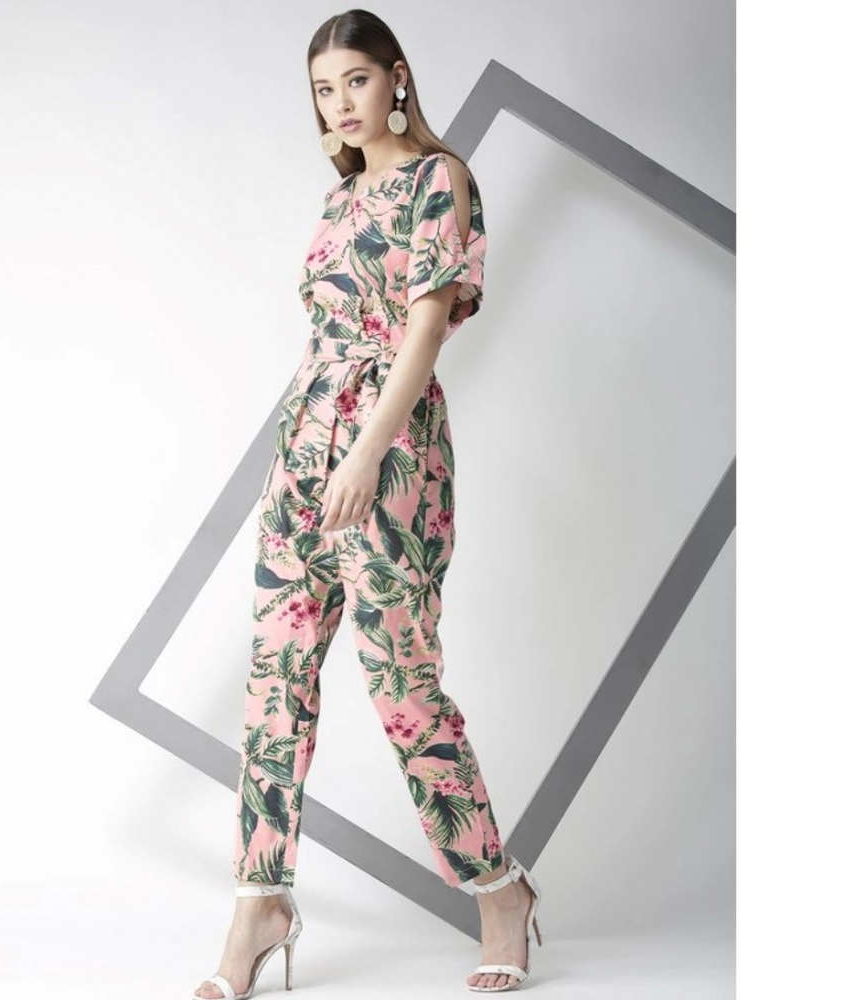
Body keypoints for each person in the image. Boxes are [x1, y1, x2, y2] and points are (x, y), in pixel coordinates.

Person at [193, 10, 543, 999]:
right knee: (276, 681)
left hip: (390, 458)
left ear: (396, 79)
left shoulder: (441, 179)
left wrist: (365, 453)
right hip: (301, 450)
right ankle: (258, 902)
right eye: (322, 88)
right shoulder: (340, 195)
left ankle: (499, 891)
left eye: (354, 79)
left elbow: (424, 329)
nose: (339, 102)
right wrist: (311, 457)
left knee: (403, 687)